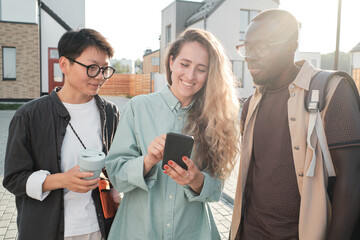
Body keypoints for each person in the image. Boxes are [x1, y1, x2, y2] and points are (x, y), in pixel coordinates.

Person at [230, 9, 360, 240]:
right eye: (247, 48)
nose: (250, 56)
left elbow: (352, 177)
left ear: (291, 46)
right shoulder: (251, 104)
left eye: (261, 47)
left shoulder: (331, 90)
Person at [105, 28, 240, 240]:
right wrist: (147, 161)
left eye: (201, 69)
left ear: (210, 74)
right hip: (138, 231)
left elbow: (216, 190)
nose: (190, 75)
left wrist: (196, 180)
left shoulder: (218, 120)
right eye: (184, 64)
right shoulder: (138, 108)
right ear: (171, 62)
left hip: (191, 232)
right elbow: (117, 177)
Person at [3, 28, 120, 240]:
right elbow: (13, 179)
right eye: (92, 68)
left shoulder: (110, 113)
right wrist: (62, 180)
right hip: (46, 230)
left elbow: (115, 165)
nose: (100, 77)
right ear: (65, 65)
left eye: (105, 69)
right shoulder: (29, 115)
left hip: (100, 227)